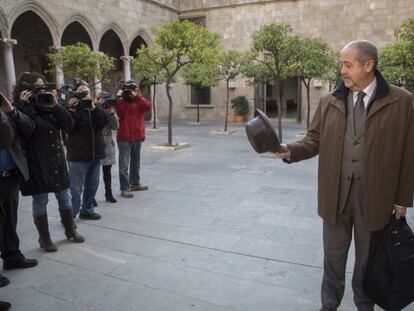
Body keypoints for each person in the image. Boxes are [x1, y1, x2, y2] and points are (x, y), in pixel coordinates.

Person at [275, 40, 414, 311]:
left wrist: (402, 199)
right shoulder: (330, 101)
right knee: (333, 260)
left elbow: (409, 153)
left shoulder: (402, 101)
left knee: (367, 262)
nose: (342, 70)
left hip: (376, 201)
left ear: (369, 65)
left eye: (347, 65)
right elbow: (314, 139)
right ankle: (329, 305)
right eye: (341, 64)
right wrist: (287, 150)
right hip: (335, 197)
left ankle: (365, 306)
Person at [13, 72, 84, 252]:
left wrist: (56, 106)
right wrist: (23, 106)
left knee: (64, 196)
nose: (42, 91)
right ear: (26, 90)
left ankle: (70, 231)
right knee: (41, 199)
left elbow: (68, 125)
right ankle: (44, 239)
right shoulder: (19, 109)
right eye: (37, 88)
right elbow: (25, 131)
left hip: (57, 160)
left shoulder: (49, 105)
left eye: (44, 87)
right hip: (37, 161)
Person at [0, 90, 37, 311]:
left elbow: (27, 129)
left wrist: (10, 109)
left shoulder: (10, 109)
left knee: (10, 221)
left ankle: (12, 256)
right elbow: (4, 136)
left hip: (10, 175)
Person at [66, 79, 108, 220]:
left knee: (92, 186)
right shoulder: (70, 109)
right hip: (78, 156)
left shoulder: (94, 108)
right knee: (76, 188)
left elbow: (102, 122)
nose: (84, 95)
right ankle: (71, 214)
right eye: (80, 92)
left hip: (95, 155)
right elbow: (67, 127)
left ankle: (87, 210)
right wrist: (71, 109)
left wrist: (94, 108)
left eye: (86, 92)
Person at [116, 80, 151, 198]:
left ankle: (135, 183)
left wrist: (138, 96)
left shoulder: (138, 101)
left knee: (136, 163)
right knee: (124, 165)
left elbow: (148, 106)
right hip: (124, 138)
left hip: (137, 136)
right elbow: (120, 113)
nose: (129, 92)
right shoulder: (121, 102)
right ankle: (124, 188)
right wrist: (119, 97)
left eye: (132, 89)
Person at [97, 92, 119, 203]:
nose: (104, 103)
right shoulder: (94, 109)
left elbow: (115, 127)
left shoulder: (110, 111)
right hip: (96, 144)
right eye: (102, 100)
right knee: (93, 173)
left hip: (107, 145)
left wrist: (111, 114)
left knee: (107, 172)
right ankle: (90, 197)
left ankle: (108, 193)